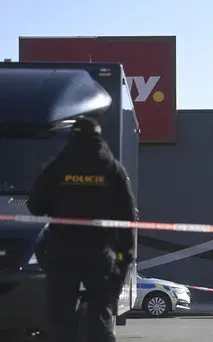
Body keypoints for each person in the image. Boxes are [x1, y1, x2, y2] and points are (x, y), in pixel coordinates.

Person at [27, 117, 137, 342]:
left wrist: (57, 207)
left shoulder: (58, 166)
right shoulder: (112, 169)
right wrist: (124, 255)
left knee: (60, 319)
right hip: (100, 253)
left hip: (62, 252)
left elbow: (35, 205)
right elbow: (127, 215)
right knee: (101, 315)